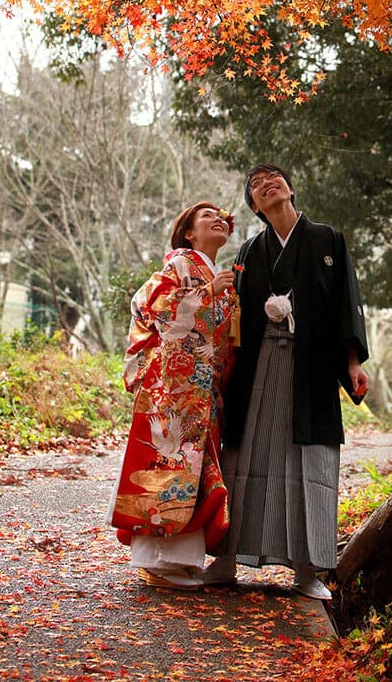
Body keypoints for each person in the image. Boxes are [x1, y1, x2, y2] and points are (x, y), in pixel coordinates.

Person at [203, 164, 369, 601]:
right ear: (255, 206)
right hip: (256, 367)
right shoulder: (249, 251)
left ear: (290, 188)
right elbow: (231, 317)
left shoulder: (328, 239)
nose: (267, 183)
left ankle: (306, 571)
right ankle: (223, 560)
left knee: (309, 464)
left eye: (274, 177)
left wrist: (351, 363)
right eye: (256, 184)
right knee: (243, 460)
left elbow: (346, 305)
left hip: (309, 367)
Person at [108, 201, 238, 590]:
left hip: (202, 386)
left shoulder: (222, 275)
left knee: (194, 472)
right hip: (171, 383)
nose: (218, 220)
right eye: (207, 217)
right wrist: (205, 292)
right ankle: (155, 561)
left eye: (222, 217)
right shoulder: (180, 263)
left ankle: (181, 561)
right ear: (188, 233)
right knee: (167, 462)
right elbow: (149, 305)